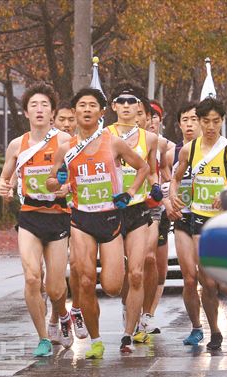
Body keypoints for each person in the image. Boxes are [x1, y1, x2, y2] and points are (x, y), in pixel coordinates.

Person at [46, 87, 149, 359]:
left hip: (111, 219)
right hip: (81, 220)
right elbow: (50, 180)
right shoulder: (66, 149)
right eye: (82, 105)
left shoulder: (113, 142)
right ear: (75, 111)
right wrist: (58, 184)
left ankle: (102, 321)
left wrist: (129, 192)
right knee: (87, 279)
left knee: (114, 286)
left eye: (93, 105)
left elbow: (143, 167)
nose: (87, 109)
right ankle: (96, 340)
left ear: (102, 112)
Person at [170, 97, 227, 350]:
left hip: (224, 222)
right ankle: (214, 331)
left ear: (222, 122)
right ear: (199, 121)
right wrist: (173, 193)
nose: (210, 126)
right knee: (206, 281)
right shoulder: (190, 150)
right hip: (199, 218)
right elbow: (176, 177)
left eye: (215, 121)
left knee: (224, 285)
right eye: (205, 121)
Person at [0, 83, 73, 357]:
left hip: (57, 216)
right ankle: (42, 337)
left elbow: (76, 176)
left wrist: (67, 188)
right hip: (29, 216)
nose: (39, 110)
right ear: (26, 112)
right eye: (34, 105)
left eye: (44, 105)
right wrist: (3, 188)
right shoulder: (18, 144)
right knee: (31, 278)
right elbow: (4, 178)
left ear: (52, 112)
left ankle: (62, 314)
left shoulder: (65, 141)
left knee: (55, 288)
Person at [106, 83, 162, 352]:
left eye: (132, 101)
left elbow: (150, 170)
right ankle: (127, 308)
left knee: (137, 271)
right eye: (121, 101)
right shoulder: (103, 136)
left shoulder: (149, 139)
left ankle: (129, 332)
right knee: (115, 281)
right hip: (110, 211)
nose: (127, 106)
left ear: (139, 107)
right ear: (113, 106)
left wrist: (154, 184)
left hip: (138, 210)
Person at [166, 101, 204, 345]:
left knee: (209, 278)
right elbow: (163, 183)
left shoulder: (217, 151)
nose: (189, 124)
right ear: (179, 124)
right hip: (183, 219)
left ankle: (215, 324)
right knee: (189, 278)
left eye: (194, 119)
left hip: (209, 220)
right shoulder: (172, 154)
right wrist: (169, 203)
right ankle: (196, 326)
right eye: (185, 120)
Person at [138, 100, 176, 336]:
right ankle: (134, 312)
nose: (150, 121)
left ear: (160, 120)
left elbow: (170, 177)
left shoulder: (166, 147)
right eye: (146, 116)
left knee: (157, 269)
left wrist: (168, 198)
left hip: (158, 209)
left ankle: (148, 315)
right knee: (142, 261)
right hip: (133, 208)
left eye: (154, 117)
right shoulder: (126, 143)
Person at [51, 100, 87, 339]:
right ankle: (59, 316)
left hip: (78, 214)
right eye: (61, 120)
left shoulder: (84, 145)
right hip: (50, 215)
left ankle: (76, 310)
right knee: (53, 275)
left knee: (77, 267)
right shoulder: (46, 146)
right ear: (54, 120)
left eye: (70, 120)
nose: (66, 124)